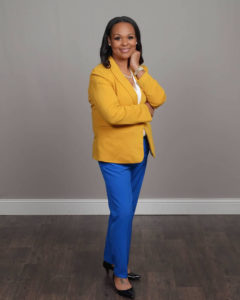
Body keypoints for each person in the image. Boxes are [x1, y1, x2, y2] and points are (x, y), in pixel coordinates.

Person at [88, 16, 166, 299]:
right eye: (118, 37)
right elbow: (113, 114)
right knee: (123, 213)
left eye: (130, 37)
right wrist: (145, 112)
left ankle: (110, 257)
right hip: (113, 155)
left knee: (125, 211)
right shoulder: (100, 75)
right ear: (108, 40)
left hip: (139, 150)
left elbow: (159, 98)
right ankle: (120, 275)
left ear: (137, 41)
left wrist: (139, 70)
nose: (124, 42)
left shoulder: (136, 72)